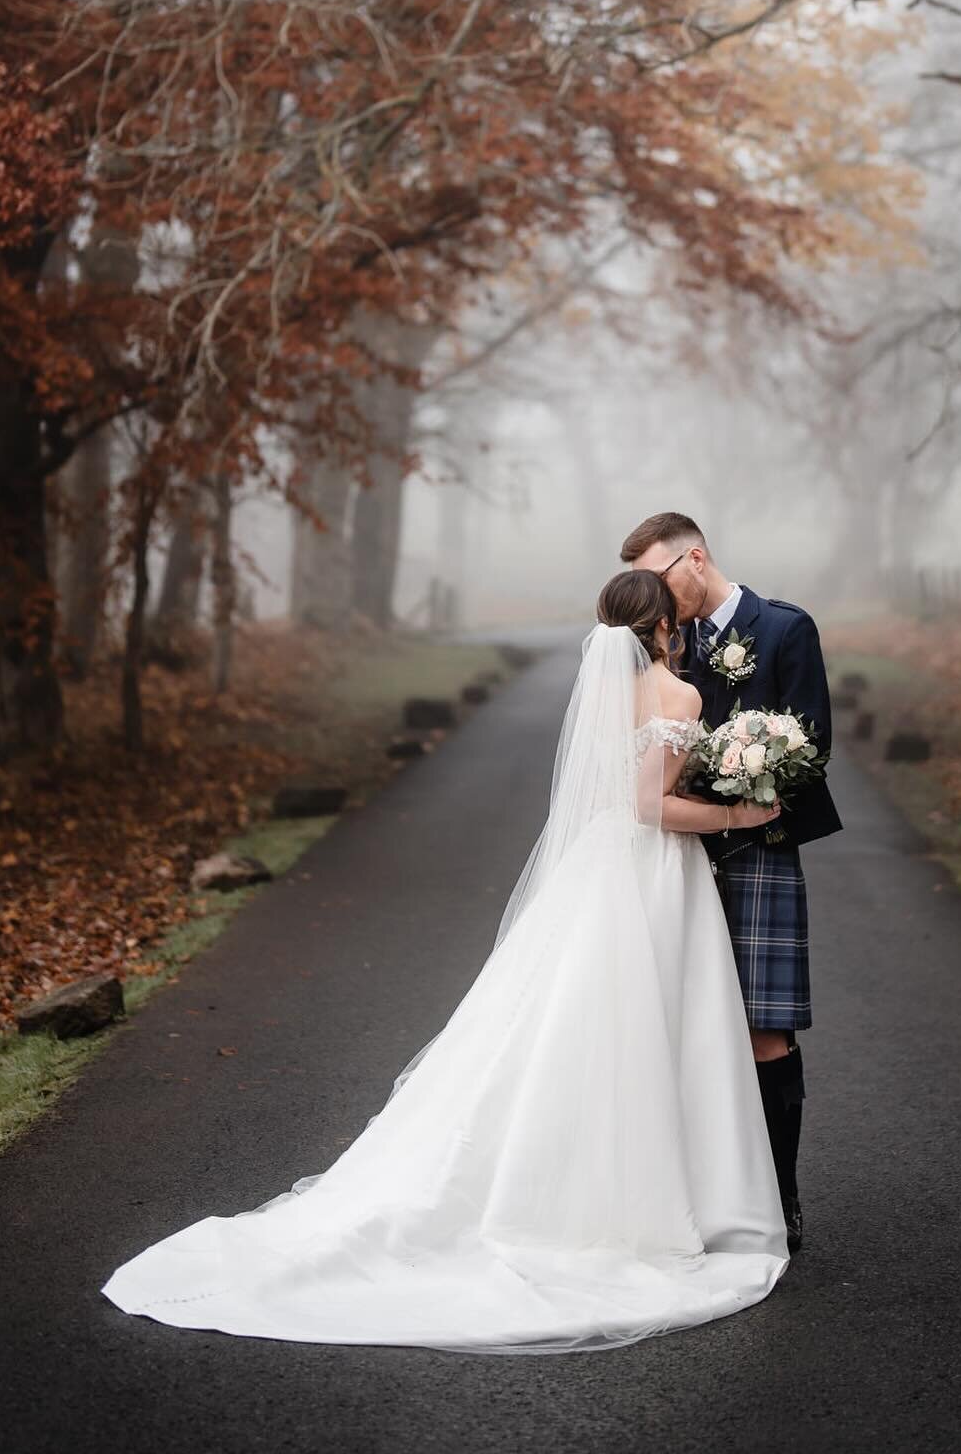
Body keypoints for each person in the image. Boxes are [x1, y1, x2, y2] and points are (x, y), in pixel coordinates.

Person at [100, 570, 789, 1354]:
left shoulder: (603, 691)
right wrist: (739, 807)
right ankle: (649, 1202)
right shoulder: (681, 698)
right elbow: (648, 805)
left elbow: (610, 794)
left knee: (564, 1027)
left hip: (598, 871)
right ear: (666, 625)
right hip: (653, 874)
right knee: (650, 1030)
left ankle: (571, 1180)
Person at [623, 512, 843, 1253]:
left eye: (661, 576)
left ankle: (779, 1198)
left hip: (761, 854)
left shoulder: (784, 629)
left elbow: (811, 742)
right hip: (674, 860)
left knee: (763, 1033)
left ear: (696, 558)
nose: (655, 594)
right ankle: (693, 1196)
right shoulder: (656, 643)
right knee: (676, 1030)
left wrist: (749, 778)